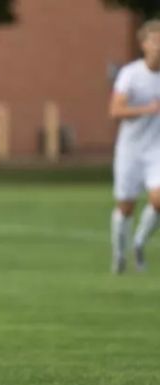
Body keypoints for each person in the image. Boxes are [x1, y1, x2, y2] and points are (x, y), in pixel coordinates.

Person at [109, 19, 160, 274]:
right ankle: (119, 256)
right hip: (130, 150)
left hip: (157, 150)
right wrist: (146, 109)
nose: (159, 45)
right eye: (155, 40)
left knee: (159, 199)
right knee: (125, 207)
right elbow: (116, 110)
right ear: (144, 45)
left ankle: (139, 243)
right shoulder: (131, 73)